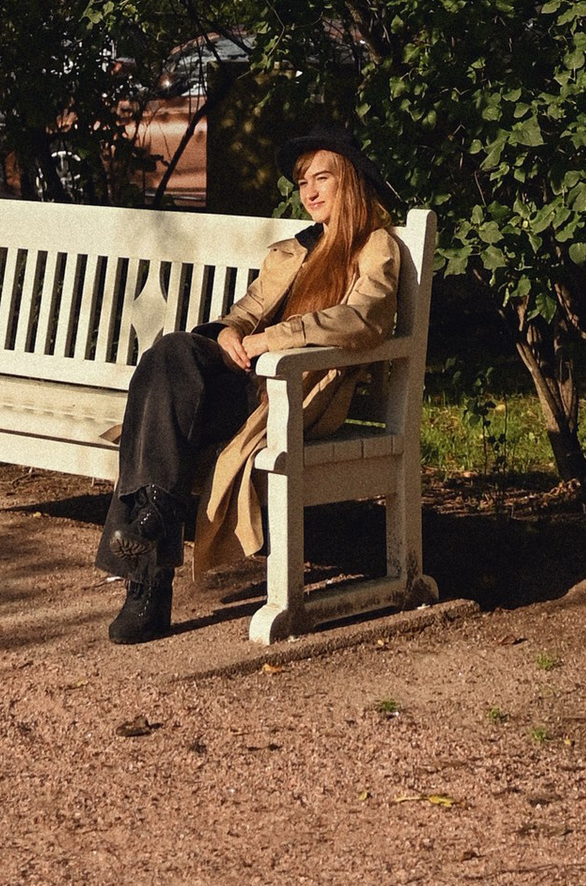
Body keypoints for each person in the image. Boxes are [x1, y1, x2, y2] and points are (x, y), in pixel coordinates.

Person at [98, 120, 400, 645]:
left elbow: (364, 319)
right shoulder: (293, 249)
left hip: (289, 393)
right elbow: (248, 309)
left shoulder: (375, 246)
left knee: (158, 412)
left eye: (321, 179)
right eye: (303, 182)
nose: (308, 191)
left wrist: (275, 339)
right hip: (244, 380)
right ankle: (155, 519)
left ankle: (148, 578)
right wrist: (236, 330)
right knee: (171, 352)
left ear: (348, 181)